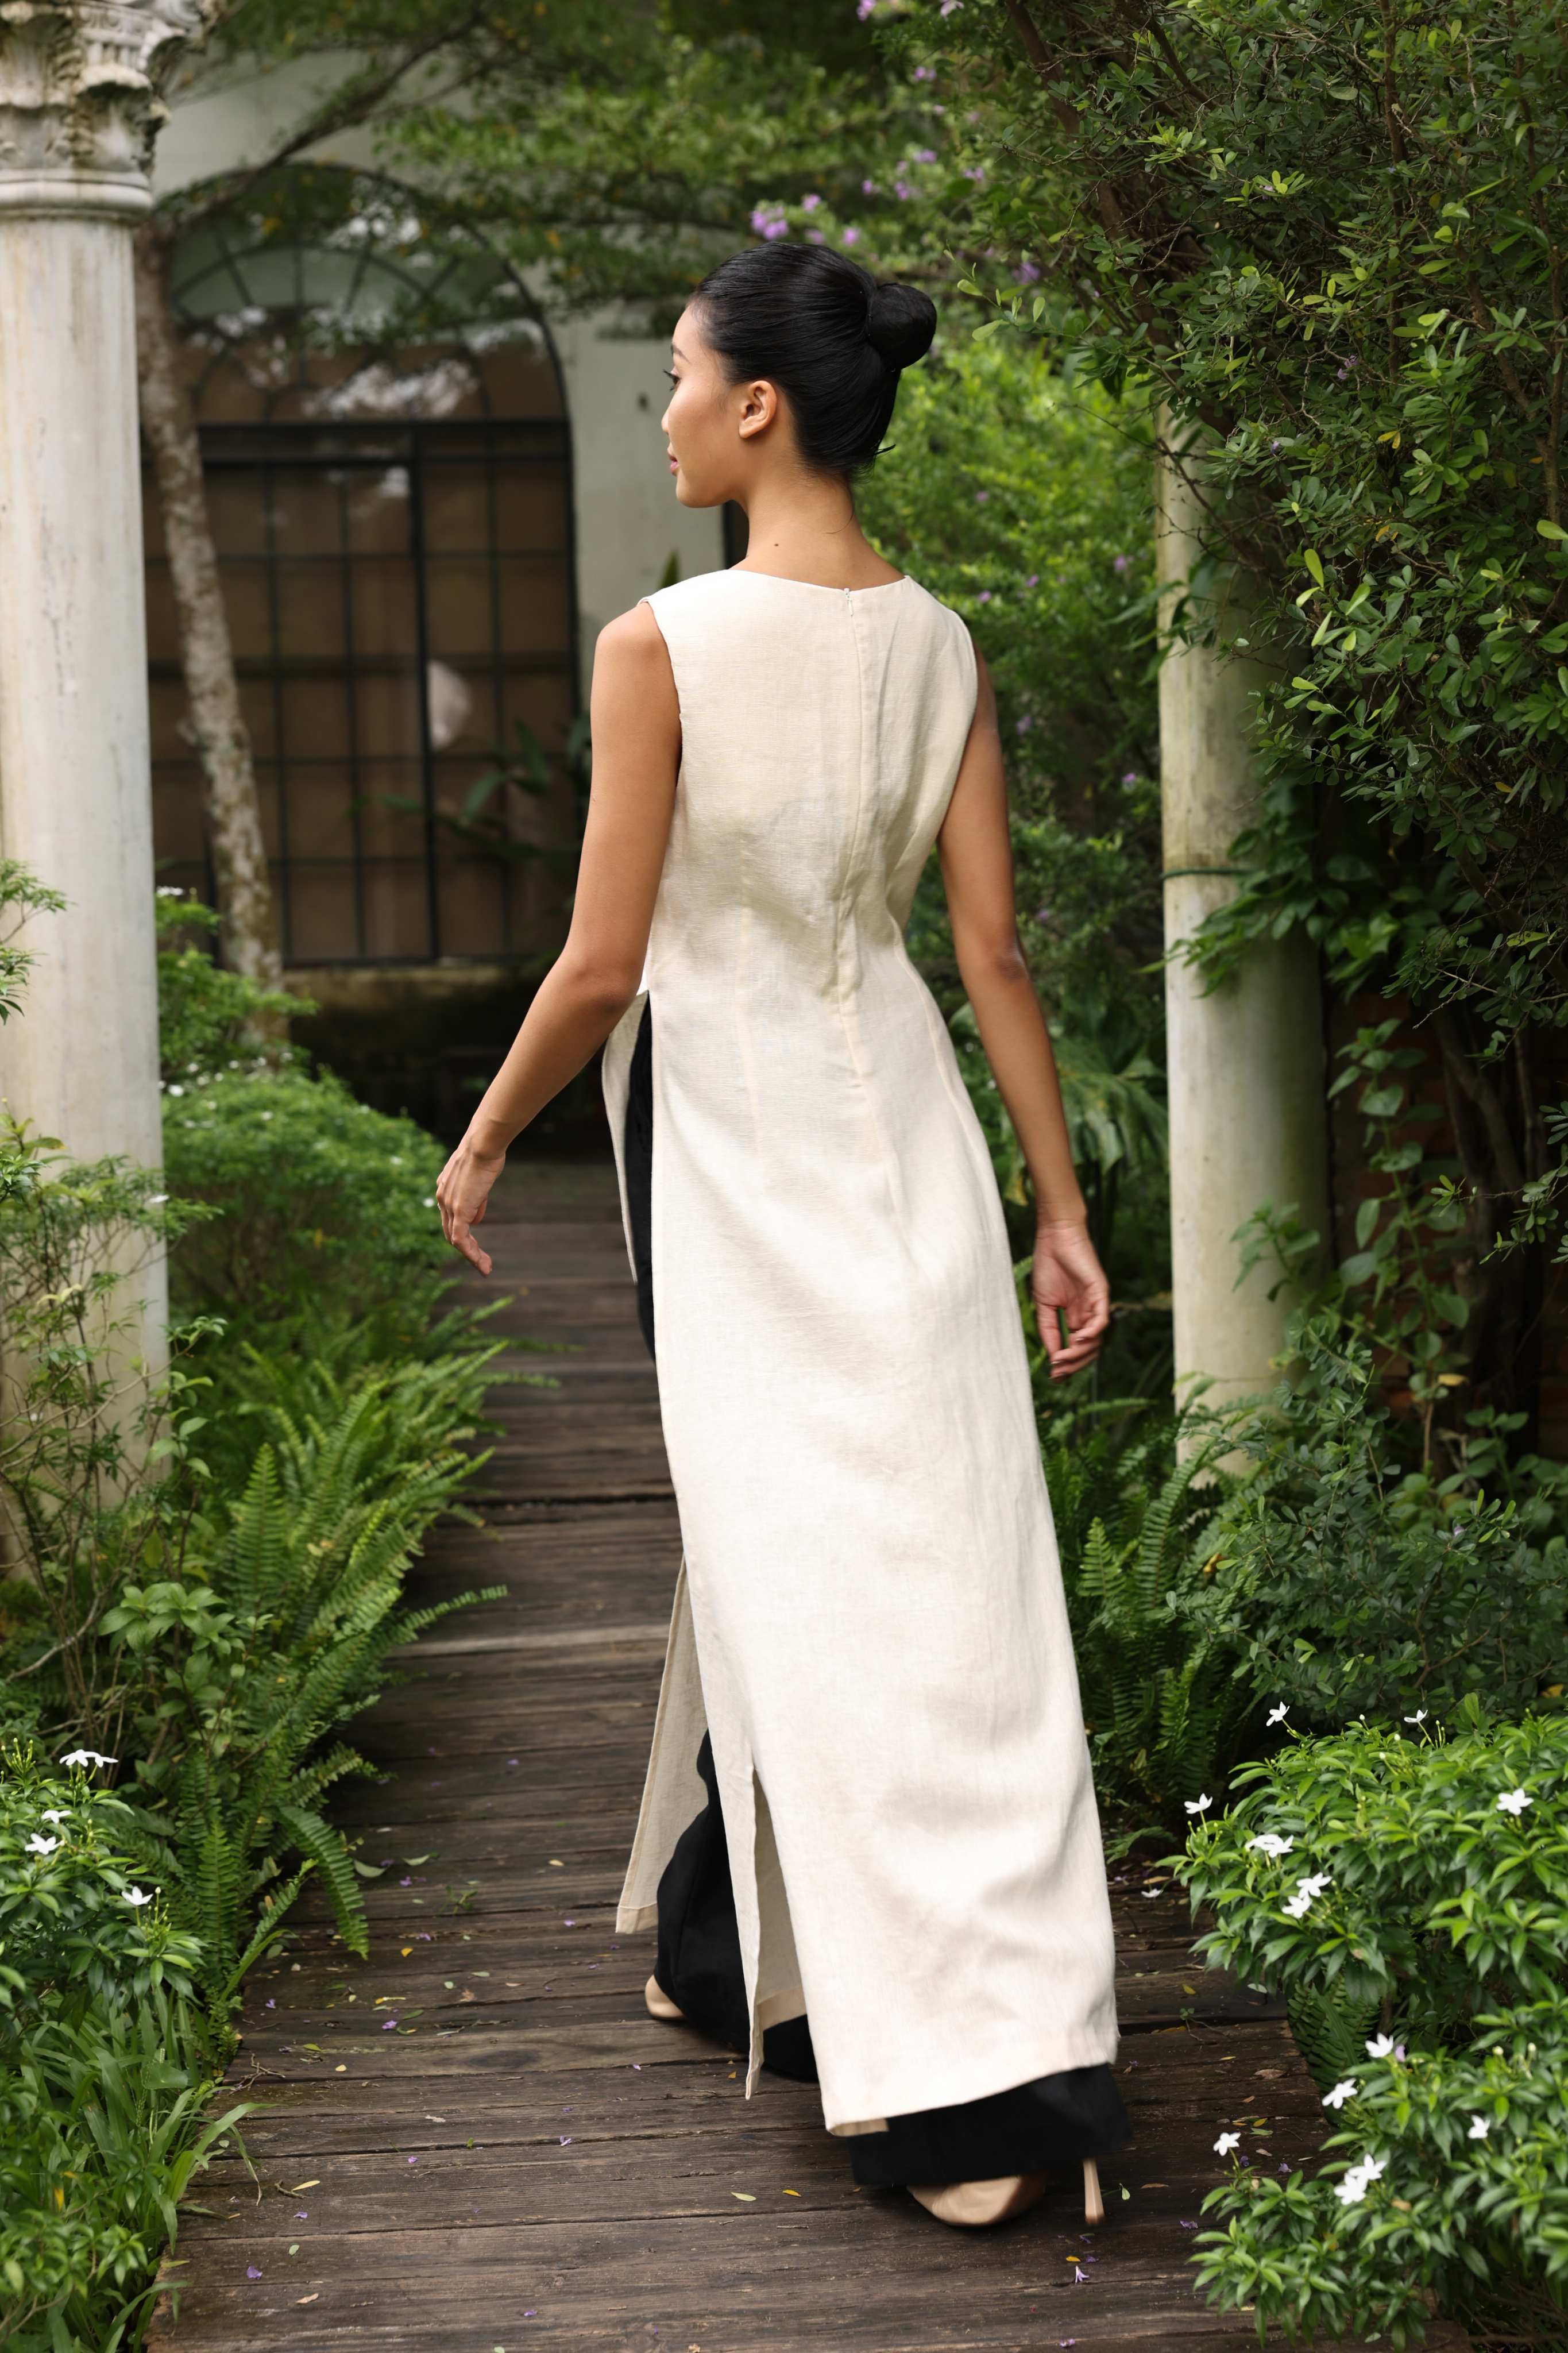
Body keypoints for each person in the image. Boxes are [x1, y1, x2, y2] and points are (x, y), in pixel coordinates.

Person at [435, 241, 1128, 2232]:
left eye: (673, 376)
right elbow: (988, 951)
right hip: (896, 1106)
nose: (659, 408)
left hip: (732, 1128)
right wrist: (1055, 1211)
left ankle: (966, 2088)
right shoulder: (943, 640)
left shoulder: (663, 642)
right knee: (913, 1544)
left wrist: (481, 1144)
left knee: (818, 1551)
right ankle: (727, 1939)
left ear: (757, 408)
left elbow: (595, 964)